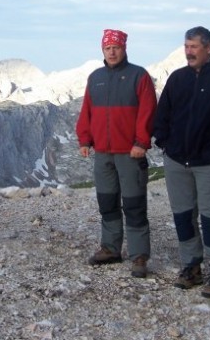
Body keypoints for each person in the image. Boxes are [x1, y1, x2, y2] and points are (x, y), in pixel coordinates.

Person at [153, 26, 210, 299]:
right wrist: (164, 142)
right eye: (186, 46)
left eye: (194, 46)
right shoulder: (178, 78)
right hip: (176, 160)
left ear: (209, 48)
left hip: (208, 163)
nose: (188, 52)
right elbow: (163, 115)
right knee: (183, 216)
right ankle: (191, 266)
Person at [76, 29, 157, 278]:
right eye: (108, 47)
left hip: (130, 153)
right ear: (102, 50)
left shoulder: (139, 76)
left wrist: (141, 142)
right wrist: (85, 138)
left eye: (116, 47)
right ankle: (110, 248)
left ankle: (139, 255)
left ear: (124, 49)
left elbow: (148, 111)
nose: (112, 51)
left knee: (134, 205)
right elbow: (87, 110)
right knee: (107, 203)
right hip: (103, 153)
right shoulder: (95, 78)